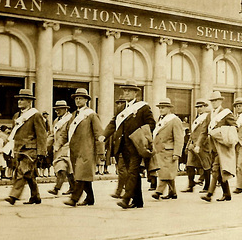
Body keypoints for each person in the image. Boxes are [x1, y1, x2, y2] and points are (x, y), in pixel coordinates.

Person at [102, 80, 155, 210]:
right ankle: (138, 201)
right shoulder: (121, 108)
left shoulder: (143, 107)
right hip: (123, 146)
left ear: (135, 93)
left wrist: (141, 135)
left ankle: (126, 199)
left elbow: (151, 124)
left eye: (129, 91)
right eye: (124, 91)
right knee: (133, 173)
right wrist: (104, 135)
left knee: (132, 172)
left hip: (137, 146)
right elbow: (113, 123)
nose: (126, 93)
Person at [2, 89, 48, 205]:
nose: (19, 101)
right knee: (29, 174)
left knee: (22, 171)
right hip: (18, 149)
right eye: (19, 99)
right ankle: (35, 197)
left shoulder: (35, 115)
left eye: (22, 99)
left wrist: (41, 152)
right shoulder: (17, 116)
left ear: (29, 102)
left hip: (30, 150)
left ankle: (13, 196)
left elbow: (41, 134)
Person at [62, 88, 104, 206]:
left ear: (86, 100)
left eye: (80, 98)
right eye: (76, 98)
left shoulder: (91, 115)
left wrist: (101, 152)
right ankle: (90, 198)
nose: (78, 100)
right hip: (75, 150)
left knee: (80, 175)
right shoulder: (74, 115)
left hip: (87, 150)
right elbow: (66, 131)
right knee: (83, 175)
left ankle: (74, 199)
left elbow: (99, 133)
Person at [201, 91, 237, 202]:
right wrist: (199, 144)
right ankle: (227, 194)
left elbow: (235, 127)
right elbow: (204, 131)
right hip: (212, 146)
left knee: (215, 169)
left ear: (220, 101)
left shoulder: (226, 113)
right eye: (212, 101)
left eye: (216, 100)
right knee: (221, 170)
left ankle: (209, 194)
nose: (214, 103)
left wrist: (221, 132)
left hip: (222, 146)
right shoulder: (209, 115)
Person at [149, 97, 184, 201]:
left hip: (169, 150)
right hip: (160, 150)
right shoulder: (160, 119)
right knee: (167, 172)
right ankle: (173, 192)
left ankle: (158, 191)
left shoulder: (174, 120)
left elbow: (179, 138)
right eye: (160, 108)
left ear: (169, 108)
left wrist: (177, 153)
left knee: (165, 173)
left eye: (163, 108)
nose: (161, 109)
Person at [184, 98, 211, 192]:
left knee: (206, 166)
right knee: (189, 165)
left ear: (205, 107)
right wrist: (188, 145)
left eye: (201, 107)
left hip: (203, 145)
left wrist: (197, 145)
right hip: (192, 145)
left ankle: (207, 186)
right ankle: (190, 185)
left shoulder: (207, 117)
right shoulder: (196, 118)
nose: (199, 109)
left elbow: (205, 133)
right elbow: (193, 133)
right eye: (197, 107)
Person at [47, 100, 74, 195]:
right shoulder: (56, 121)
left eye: (59, 109)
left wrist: (58, 145)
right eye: (56, 110)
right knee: (68, 170)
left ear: (66, 109)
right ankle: (73, 187)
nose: (57, 111)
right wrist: (46, 146)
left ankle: (56, 188)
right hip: (58, 148)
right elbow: (52, 135)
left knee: (62, 168)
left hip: (67, 147)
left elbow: (64, 135)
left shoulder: (70, 119)